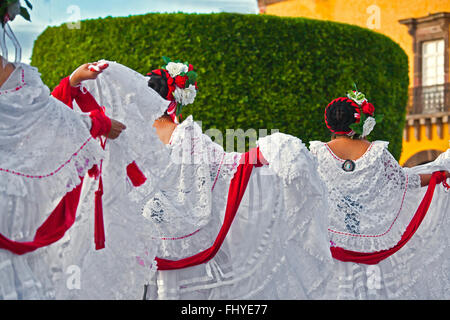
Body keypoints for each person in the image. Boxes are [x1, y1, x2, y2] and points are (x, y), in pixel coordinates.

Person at [52, 58, 333, 300]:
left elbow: (65, 126)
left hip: (139, 254)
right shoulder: (190, 139)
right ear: (178, 100)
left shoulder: (122, 134)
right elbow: (233, 169)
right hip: (191, 266)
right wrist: (276, 148)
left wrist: (75, 80)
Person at [0, 1, 127, 299]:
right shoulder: (16, 77)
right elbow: (41, 116)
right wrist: (98, 123)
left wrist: (71, 84)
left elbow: (40, 114)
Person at [309, 89, 450, 299]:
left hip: (331, 243)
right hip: (372, 245)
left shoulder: (316, 154)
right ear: (362, 122)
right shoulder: (376, 153)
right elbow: (405, 181)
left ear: (329, 124)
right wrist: (439, 176)